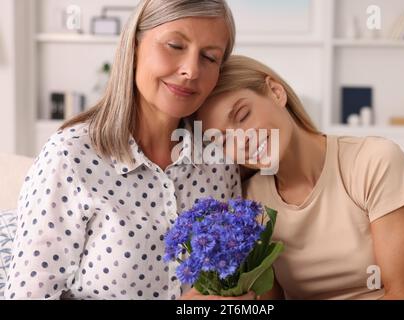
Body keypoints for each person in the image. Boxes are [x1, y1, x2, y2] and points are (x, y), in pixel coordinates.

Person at [5, 0, 254, 300]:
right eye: (175, 45)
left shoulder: (219, 162)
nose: (191, 70)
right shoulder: (70, 156)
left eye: (209, 57)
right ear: (134, 45)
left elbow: (236, 285)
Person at [195, 55, 404, 300]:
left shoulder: (374, 161)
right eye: (222, 140)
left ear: (275, 92)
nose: (241, 140)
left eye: (243, 116)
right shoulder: (250, 203)